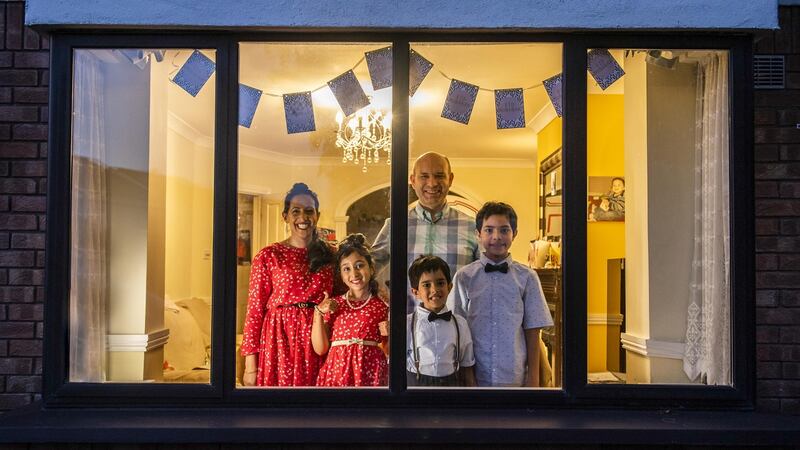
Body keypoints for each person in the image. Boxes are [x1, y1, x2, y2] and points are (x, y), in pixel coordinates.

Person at [240, 182, 338, 387]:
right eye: (296, 211)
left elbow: (344, 299)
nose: (303, 217)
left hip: (318, 337)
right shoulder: (268, 256)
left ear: (317, 216)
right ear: (285, 216)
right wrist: (251, 367)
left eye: (309, 211)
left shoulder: (331, 256)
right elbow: (255, 311)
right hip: (278, 340)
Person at [447, 202, 553, 387]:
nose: (496, 237)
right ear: (478, 234)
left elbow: (533, 330)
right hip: (475, 375)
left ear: (515, 233)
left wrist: (533, 378)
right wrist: (466, 376)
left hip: (515, 375)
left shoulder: (528, 278)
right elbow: (458, 330)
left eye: (504, 230)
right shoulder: (464, 278)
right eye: (489, 230)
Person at [372, 152, 479, 311]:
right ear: (412, 180)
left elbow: (487, 277)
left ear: (450, 179)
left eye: (439, 175)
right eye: (424, 176)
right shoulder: (396, 225)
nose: (432, 183)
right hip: (407, 328)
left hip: (459, 328)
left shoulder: (472, 227)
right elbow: (368, 268)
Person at [312, 234, 389, 387]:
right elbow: (320, 349)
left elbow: (389, 352)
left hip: (371, 374)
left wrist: (389, 333)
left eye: (359, 265)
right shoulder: (334, 304)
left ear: (371, 268)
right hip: (337, 374)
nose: (354, 273)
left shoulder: (383, 305)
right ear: (340, 274)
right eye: (346, 268)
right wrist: (319, 313)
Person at [406, 255, 475, 387]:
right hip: (416, 389)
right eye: (426, 285)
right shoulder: (407, 324)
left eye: (440, 283)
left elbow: (467, 366)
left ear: (449, 287)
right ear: (416, 292)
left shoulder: (460, 324)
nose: (434, 290)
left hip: (451, 389)